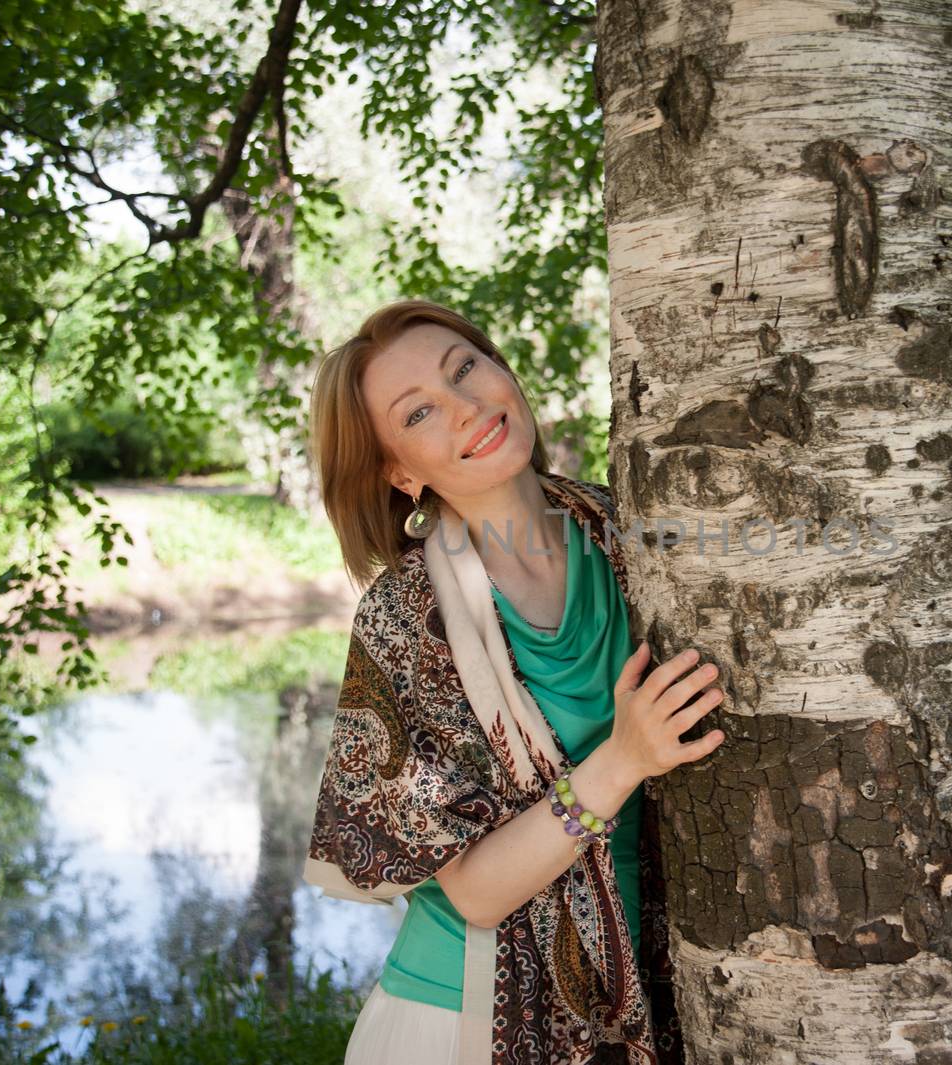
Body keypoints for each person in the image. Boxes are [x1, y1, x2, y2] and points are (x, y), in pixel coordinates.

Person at [302, 298, 725, 1064]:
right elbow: (474, 890)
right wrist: (623, 758)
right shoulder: (406, 618)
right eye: (421, 411)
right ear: (398, 470)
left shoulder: (632, 529)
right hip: (458, 1017)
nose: (466, 407)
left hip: (653, 1002)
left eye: (465, 368)